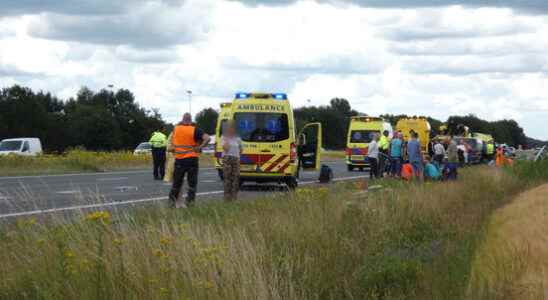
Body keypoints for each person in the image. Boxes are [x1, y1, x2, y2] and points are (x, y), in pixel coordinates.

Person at [168, 113, 210, 208]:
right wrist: (199, 147)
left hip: (179, 159)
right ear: (190, 120)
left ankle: (171, 203)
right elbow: (207, 138)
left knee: (176, 184)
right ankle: (190, 203)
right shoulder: (194, 129)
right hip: (191, 159)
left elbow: (172, 145)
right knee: (192, 184)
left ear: (182, 120)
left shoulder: (176, 129)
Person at [221, 121, 243, 201]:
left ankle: (234, 198)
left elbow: (241, 150)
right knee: (227, 179)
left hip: (236, 158)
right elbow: (226, 148)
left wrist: (237, 154)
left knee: (236, 179)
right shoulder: (224, 137)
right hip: (227, 158)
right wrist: (227, 139)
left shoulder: (238, 138)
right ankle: (227, 199)